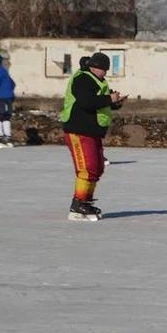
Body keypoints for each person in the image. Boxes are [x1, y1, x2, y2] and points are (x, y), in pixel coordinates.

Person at [60, 51, 126, 221]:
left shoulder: (98, 81)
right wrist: (109, 99)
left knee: (97, 168)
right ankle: (78, 205)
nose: (105, 73)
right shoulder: (83, 78)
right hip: (79, 130)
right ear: (96, 67)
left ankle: (86, 201)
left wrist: (114, 102)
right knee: (87, 168)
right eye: (104, 69)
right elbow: (86, 102)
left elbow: (100, 104)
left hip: (92, 131)